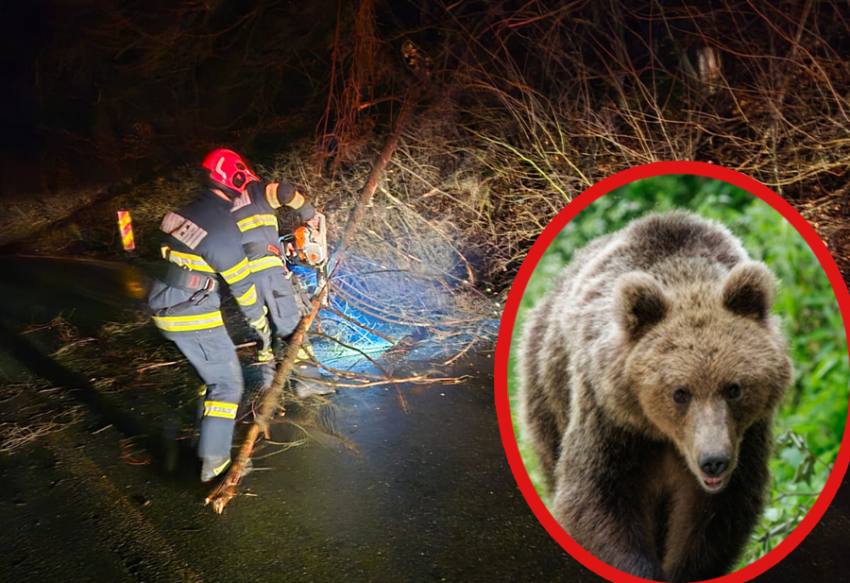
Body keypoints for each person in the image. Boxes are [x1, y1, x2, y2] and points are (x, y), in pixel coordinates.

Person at [148, 148, 273, 482]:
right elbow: (242, 286)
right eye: (245, 185)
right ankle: (215, 466)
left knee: (212, 376)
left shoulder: (185, 212)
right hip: (190, 313)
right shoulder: (221, 227)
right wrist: (260, 322)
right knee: (228, 383)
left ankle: (204, 437)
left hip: (167, 303)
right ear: (235, 180)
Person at [225, 150, 332, 398]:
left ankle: (268, 389)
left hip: (242, 278)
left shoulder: (224, 205)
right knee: (290, 323)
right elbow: (285, 192)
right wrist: (309, 215)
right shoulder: (256, 191)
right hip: (268, 273)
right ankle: (309, 381)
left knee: (263, 332)